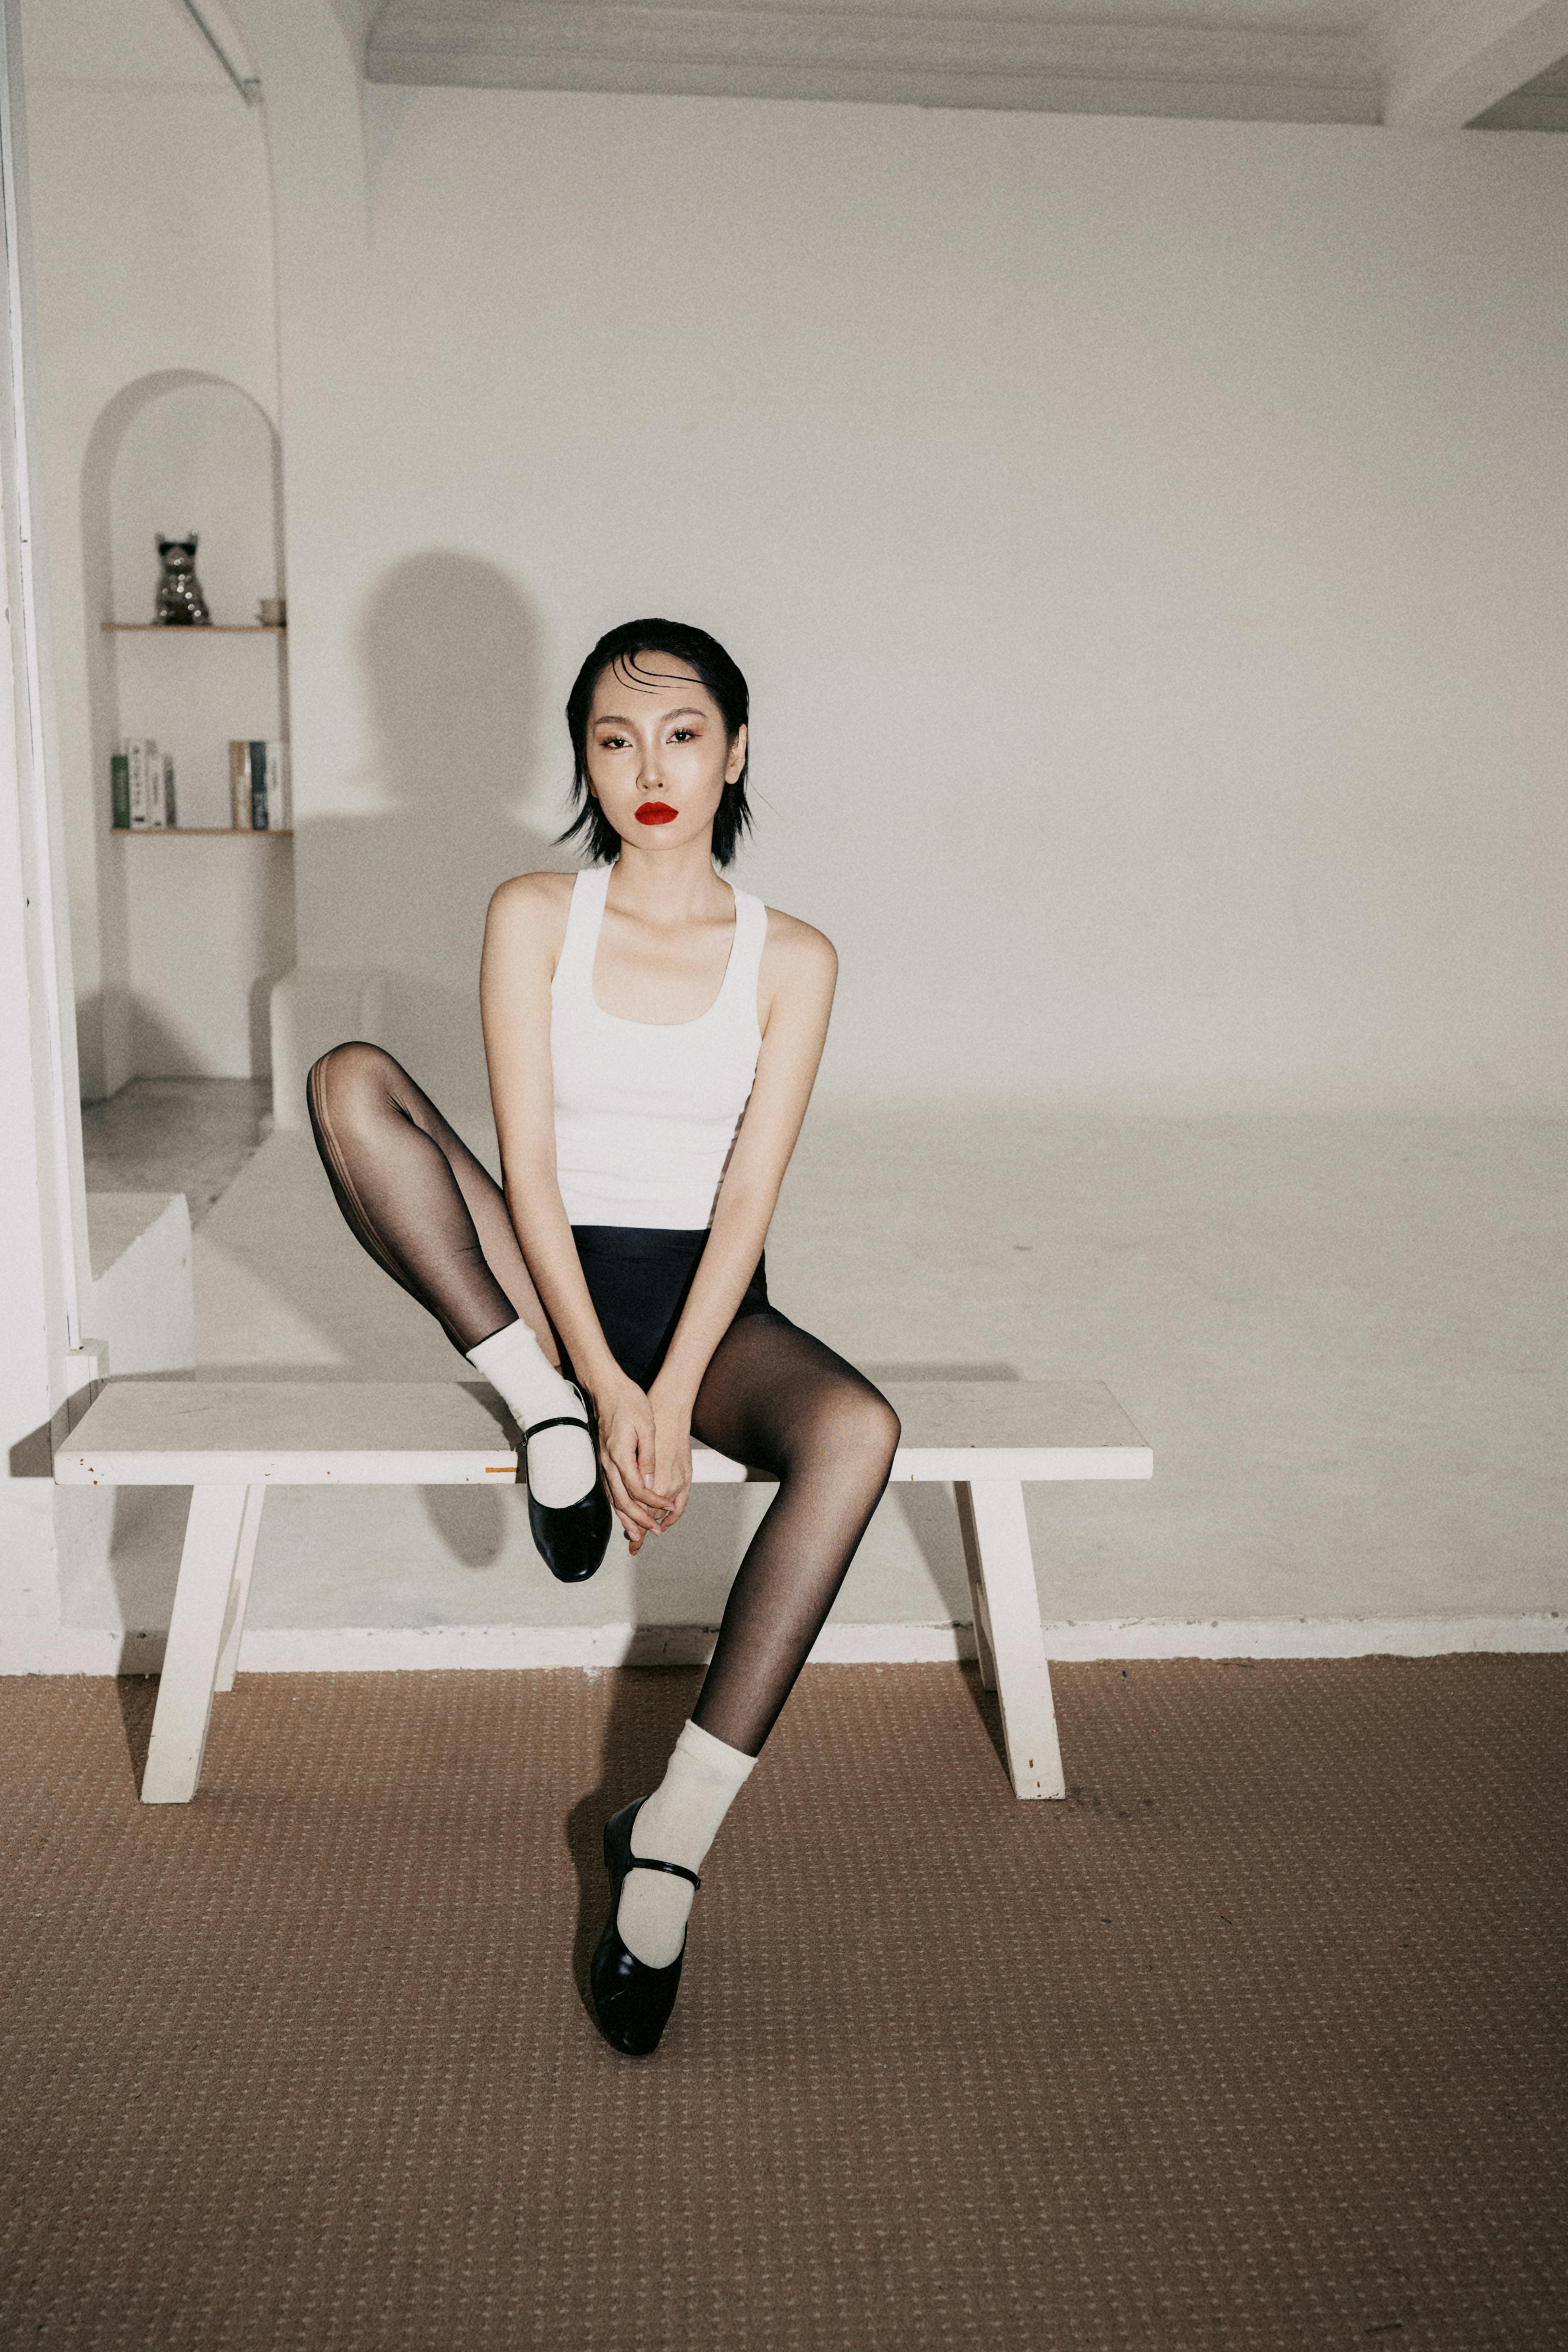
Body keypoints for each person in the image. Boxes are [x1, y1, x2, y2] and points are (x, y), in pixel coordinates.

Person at [305, 618, 900, 2055]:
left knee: (859, 1431)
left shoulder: (793, 956)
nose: (649, 767)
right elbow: (536, 1166)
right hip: (546, 1278)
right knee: (349, 1081)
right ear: (581, 753)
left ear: (734, 752)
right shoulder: (534, 914)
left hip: (705, 1304)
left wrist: (670, 1389)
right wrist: (589, 1386)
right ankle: (534, 1405)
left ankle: (674, 1825)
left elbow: (751, 1193)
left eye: (682, 733)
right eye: (614, 737)